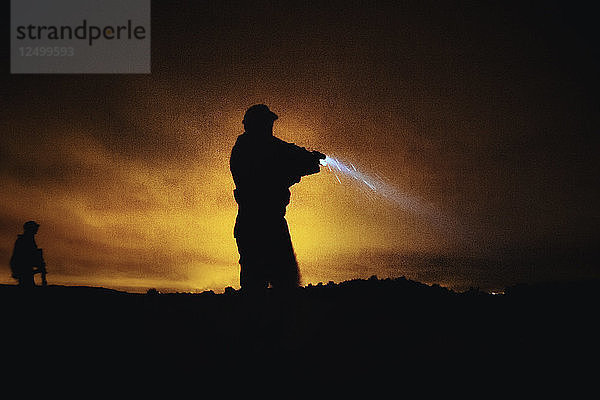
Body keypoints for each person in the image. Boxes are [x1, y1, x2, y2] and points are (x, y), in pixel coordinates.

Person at [230, 104, 325, 293]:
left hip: (257, 222)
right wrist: (304, 164)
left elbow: (284, 154)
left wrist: (303, 160)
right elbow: (273, 173)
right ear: (257, 125)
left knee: (262, 284)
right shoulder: (254, 149)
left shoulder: (252, 147)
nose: (270, 128)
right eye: (267, 123)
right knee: (275, 285)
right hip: (264, 223)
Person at [10, 221, 47, 288]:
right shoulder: (25, 240)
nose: (37, 229)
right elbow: (24, 257)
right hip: (23, 268)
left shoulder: (28, 239)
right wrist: (39, 266)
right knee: (27, 287)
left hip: (24, 268)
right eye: (35, 228)